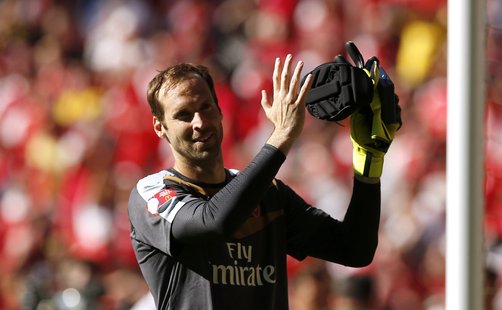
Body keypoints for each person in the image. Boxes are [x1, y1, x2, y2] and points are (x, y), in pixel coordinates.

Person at [127, 54, 397, 309]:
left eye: (206, 107)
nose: (199, 122)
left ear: (220, 111)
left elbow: (355, 250)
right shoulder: (152, 192)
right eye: (183, 114)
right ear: (159, 127)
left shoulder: (269, 195)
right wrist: (281, 136)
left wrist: (368, 161)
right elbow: (214, 221)